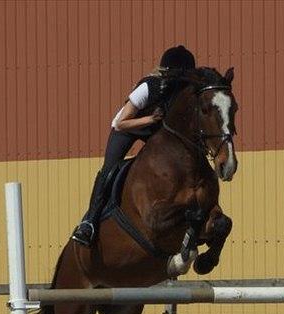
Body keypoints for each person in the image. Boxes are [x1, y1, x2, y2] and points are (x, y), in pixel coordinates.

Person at [71, 45, 197, 246]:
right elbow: (121, 123)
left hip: (155, 126)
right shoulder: (149, 87)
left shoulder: (182, 90)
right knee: (109, 170)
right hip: (128, 126)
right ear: (168, 73)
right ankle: (89, 222)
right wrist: (150, 119)